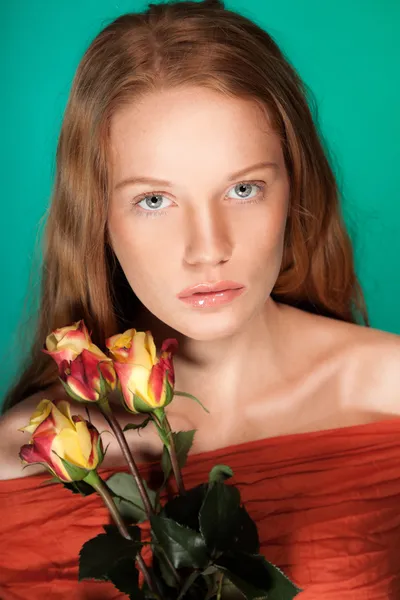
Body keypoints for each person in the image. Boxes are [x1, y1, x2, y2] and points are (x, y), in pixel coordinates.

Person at [1, 0, 400, 598]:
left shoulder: (389, 392)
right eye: (154, 200)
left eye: (243, 188)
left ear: (294, 187)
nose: (206, 249)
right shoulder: (18, 459)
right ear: (98, 217)